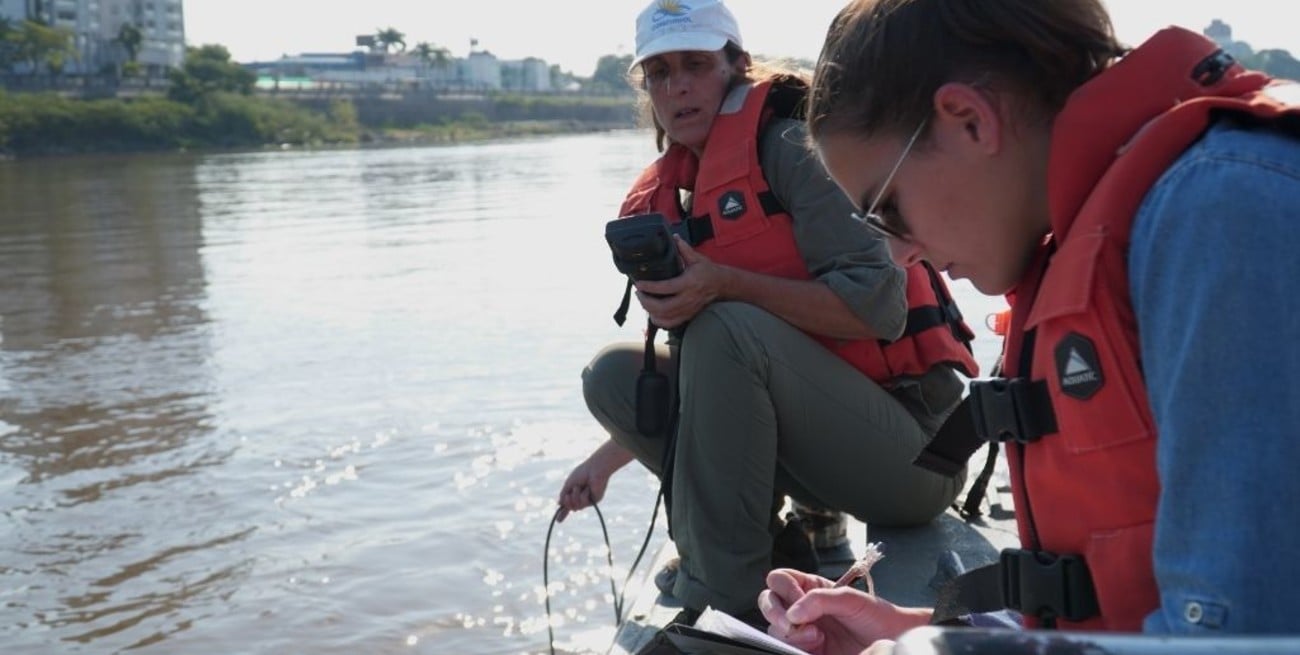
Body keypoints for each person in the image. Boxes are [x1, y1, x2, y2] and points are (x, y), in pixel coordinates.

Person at [759, 0, 1300, 651]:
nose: (898, 254)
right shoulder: (1146, 219)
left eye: (886, 210)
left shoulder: (1222, 215)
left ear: (970, 120)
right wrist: (914, 633)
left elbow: (1245, 632)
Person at [554, 0, 980, 626]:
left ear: (737, 67)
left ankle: (725, 602)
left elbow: (881, 310)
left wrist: (724, 283)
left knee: (726, 325)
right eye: (660, 73)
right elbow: (707, 377)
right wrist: (603, 462)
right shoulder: (672, 191)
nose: (677, 87)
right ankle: (771, 555)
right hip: (817, 453)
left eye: (696, 65)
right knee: (612, 376)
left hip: (914, 457)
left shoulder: (792, 148)